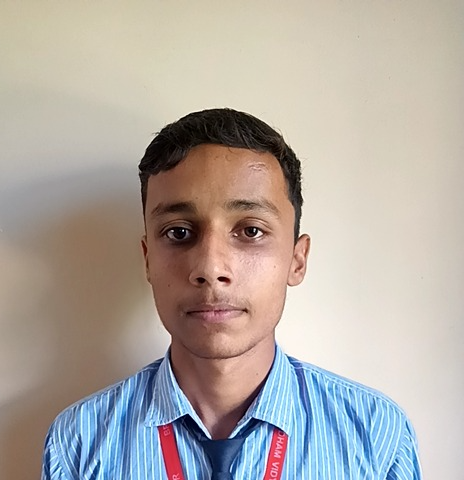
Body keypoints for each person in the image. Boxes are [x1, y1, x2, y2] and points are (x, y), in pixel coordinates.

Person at [41, 108, 422, 479]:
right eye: (178, 232)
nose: (210, 268)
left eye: (251, 231)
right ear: (147, 260)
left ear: (297, 260)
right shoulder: (78, 443)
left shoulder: (376, 436)